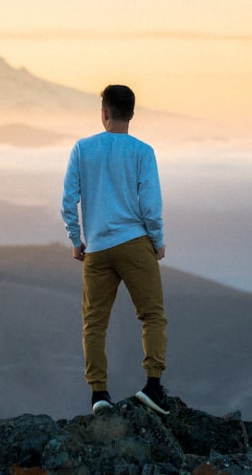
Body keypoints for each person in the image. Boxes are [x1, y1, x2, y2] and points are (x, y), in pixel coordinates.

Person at [61, 84, 170, 415]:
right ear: (132, 114)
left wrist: (76, 238)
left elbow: (68, 200)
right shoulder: (142, 151)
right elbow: (150, 205)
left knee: (94, 323)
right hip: (134, 242)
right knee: (151, 315)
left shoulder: (83, 149)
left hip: (96, 248)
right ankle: (152, 386)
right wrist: (157, 240)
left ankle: (99, 394)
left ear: (104, 112)